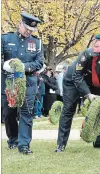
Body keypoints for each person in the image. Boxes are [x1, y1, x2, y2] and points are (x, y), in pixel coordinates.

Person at [55, 46, 100, 152]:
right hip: (74, 80)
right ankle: (61, 144)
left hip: (97, 81)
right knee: (68, 110)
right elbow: (77, 76)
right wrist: (88, 94)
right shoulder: (89, 54)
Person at [1, 12, 44, 154]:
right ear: (20, 24)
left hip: (28, 83)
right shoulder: (5, 39)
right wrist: (4, 65)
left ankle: (24, 144)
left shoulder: (37, 43)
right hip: (9, 83)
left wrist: (21, 67)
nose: (28, 32)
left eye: (31, 30)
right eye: (26, 28)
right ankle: (13, 139)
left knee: (26, 113)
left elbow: (39, 62)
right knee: (9, 113)